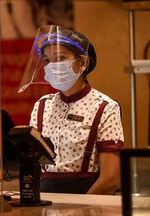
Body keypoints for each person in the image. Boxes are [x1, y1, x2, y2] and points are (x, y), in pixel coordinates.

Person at [18, 25, 124, 195]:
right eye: (47, 60)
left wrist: (80, 209)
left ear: (82, 62)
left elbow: (111, 178)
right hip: (46, 203)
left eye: (60, 57)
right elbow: (34, 167)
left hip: (90, 205)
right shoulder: (41, 106)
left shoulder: (105, 107)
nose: (52, 65)